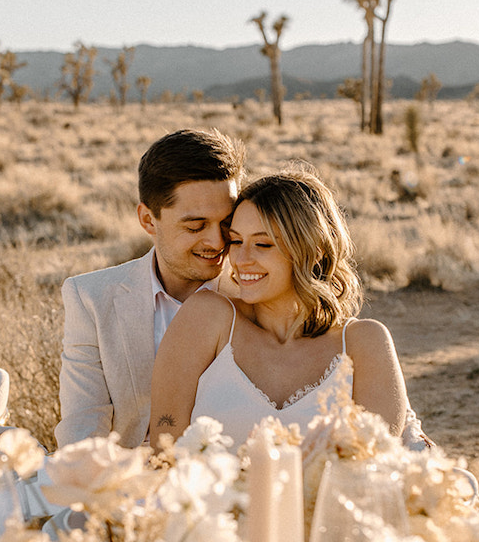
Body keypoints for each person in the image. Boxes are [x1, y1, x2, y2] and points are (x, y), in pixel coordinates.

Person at [149, 170, 411, 447]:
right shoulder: (206, 318)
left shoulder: (364, 343)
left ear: (313, 249)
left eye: (262, 244)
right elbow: (165, 452)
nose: (241, 259)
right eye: (236, 241)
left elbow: (380, 465)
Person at [55, 128, 244, 448]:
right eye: (195, 226)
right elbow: (82, 427)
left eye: (226, 223)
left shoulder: (255, 295)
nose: (216, 241)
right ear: (148, 220)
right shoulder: (90, 298)